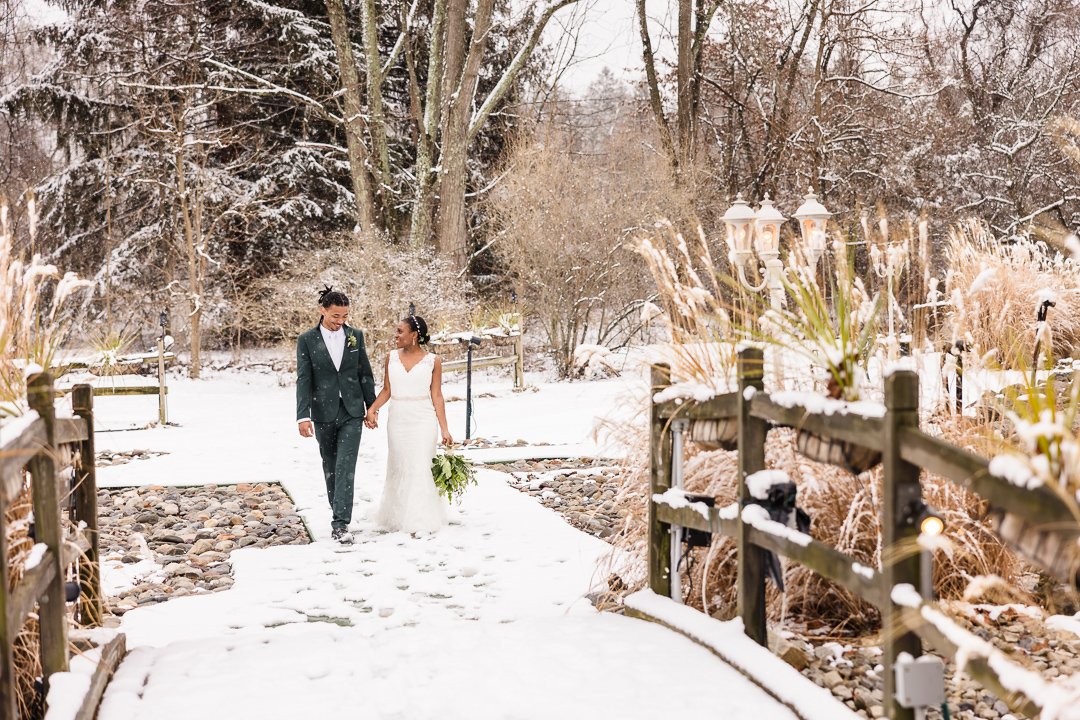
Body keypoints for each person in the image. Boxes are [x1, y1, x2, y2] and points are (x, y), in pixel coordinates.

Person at [295, 287, 376, 544]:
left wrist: (371, 407)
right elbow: (303, 378)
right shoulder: (306, 340)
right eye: (335, 316)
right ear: (322, 310)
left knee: (345, 466)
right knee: (330, 466)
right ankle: (338, 510)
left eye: (344, 316)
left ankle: (340, 524)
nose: (340, 321)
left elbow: (365, 373)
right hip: (322, 412)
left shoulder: (356, 336)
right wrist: (302, 415)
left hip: (352, 411)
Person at [365, 314, 453, 533]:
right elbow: (387, 390)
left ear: (414, 335)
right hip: (398, 419)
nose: (396, 335)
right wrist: (373, 409)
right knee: (399, 465)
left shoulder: (434, 361)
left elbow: (437, 396)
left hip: (423, 419)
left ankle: (420, 520)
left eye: (400, 331)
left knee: (421, 466)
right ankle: (397, 516)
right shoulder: (390, 357)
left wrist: (444, 428)